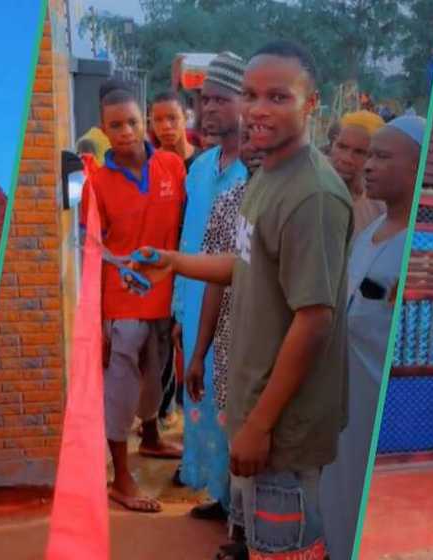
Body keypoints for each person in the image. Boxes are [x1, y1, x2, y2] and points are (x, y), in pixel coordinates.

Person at [130, 40, 351, 560]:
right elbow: (243, 264)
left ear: (311, 103)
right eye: (251, 95)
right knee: (261, 542)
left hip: (283, 427)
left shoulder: (313, 195)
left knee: (287, 549)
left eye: (279, 97)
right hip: (254, 405)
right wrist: (173, 260)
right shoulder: (267, 175)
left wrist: (258, 426)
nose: (258, 109)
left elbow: (314, 321)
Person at [320, 116, 424, 560]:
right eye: (368, 155)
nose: (368, 166)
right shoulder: (367, 235)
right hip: (344, 409)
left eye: (382, 156)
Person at [81, 79, 186, 513]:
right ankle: (121, 478)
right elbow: (92, 249)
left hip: (165, 295)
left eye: (131, 122)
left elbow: (181, 228)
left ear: (144, 121)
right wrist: (97, 319)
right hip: (122, 302)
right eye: (115, 126)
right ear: (104, 130)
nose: (126, 132)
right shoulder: (98, 183)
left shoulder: (172, 169)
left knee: (156, 374)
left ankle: (152, 436)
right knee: (120, 387)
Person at [172, 51, 248, 522]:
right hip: (197, 302)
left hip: (238, 310)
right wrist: (179, 308)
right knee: (201, 403)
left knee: (233, 407)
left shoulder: (255, 174)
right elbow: (186, 239)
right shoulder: (199, 169)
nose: (209, 109)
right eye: (204, 100)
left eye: (221, 99)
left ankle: (240, 506)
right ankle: (220, 496)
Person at [330, 110, 387, 235]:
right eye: (342, 146)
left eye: (359, 152)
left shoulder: (381, 210)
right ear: (333, 144)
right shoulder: (308, 192)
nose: (346, 159)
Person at [150, 91, 198, 169]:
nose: (166, 126)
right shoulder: (148, 165)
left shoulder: (206, 161)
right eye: (158, 120)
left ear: (185, 118)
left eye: (172, 118)